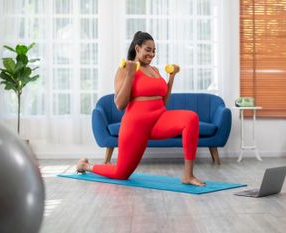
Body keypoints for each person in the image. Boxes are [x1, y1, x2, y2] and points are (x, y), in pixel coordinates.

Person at [76, 31, 205, 186]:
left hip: (159, 118)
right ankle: (85, 165)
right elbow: (120, 105)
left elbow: (163, 102)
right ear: (137, 49)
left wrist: (171, 77)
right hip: (136, 126)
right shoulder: (125, 69)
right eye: (148, 50)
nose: (151, 54)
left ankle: (188, 175)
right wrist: (130, 74)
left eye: (154, 51)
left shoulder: (155, 70)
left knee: (191, 118)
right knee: (121, 174)